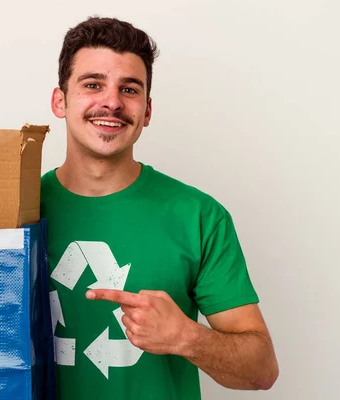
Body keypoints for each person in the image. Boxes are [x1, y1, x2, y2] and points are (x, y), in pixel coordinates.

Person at [40, 16, 279, 400]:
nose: (112, 102)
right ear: (59, 101)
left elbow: (262, 370)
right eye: (92, 84)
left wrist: (188, 337)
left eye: (129, 89)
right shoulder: (16, 214)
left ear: (147, 111)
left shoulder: (198, 216)